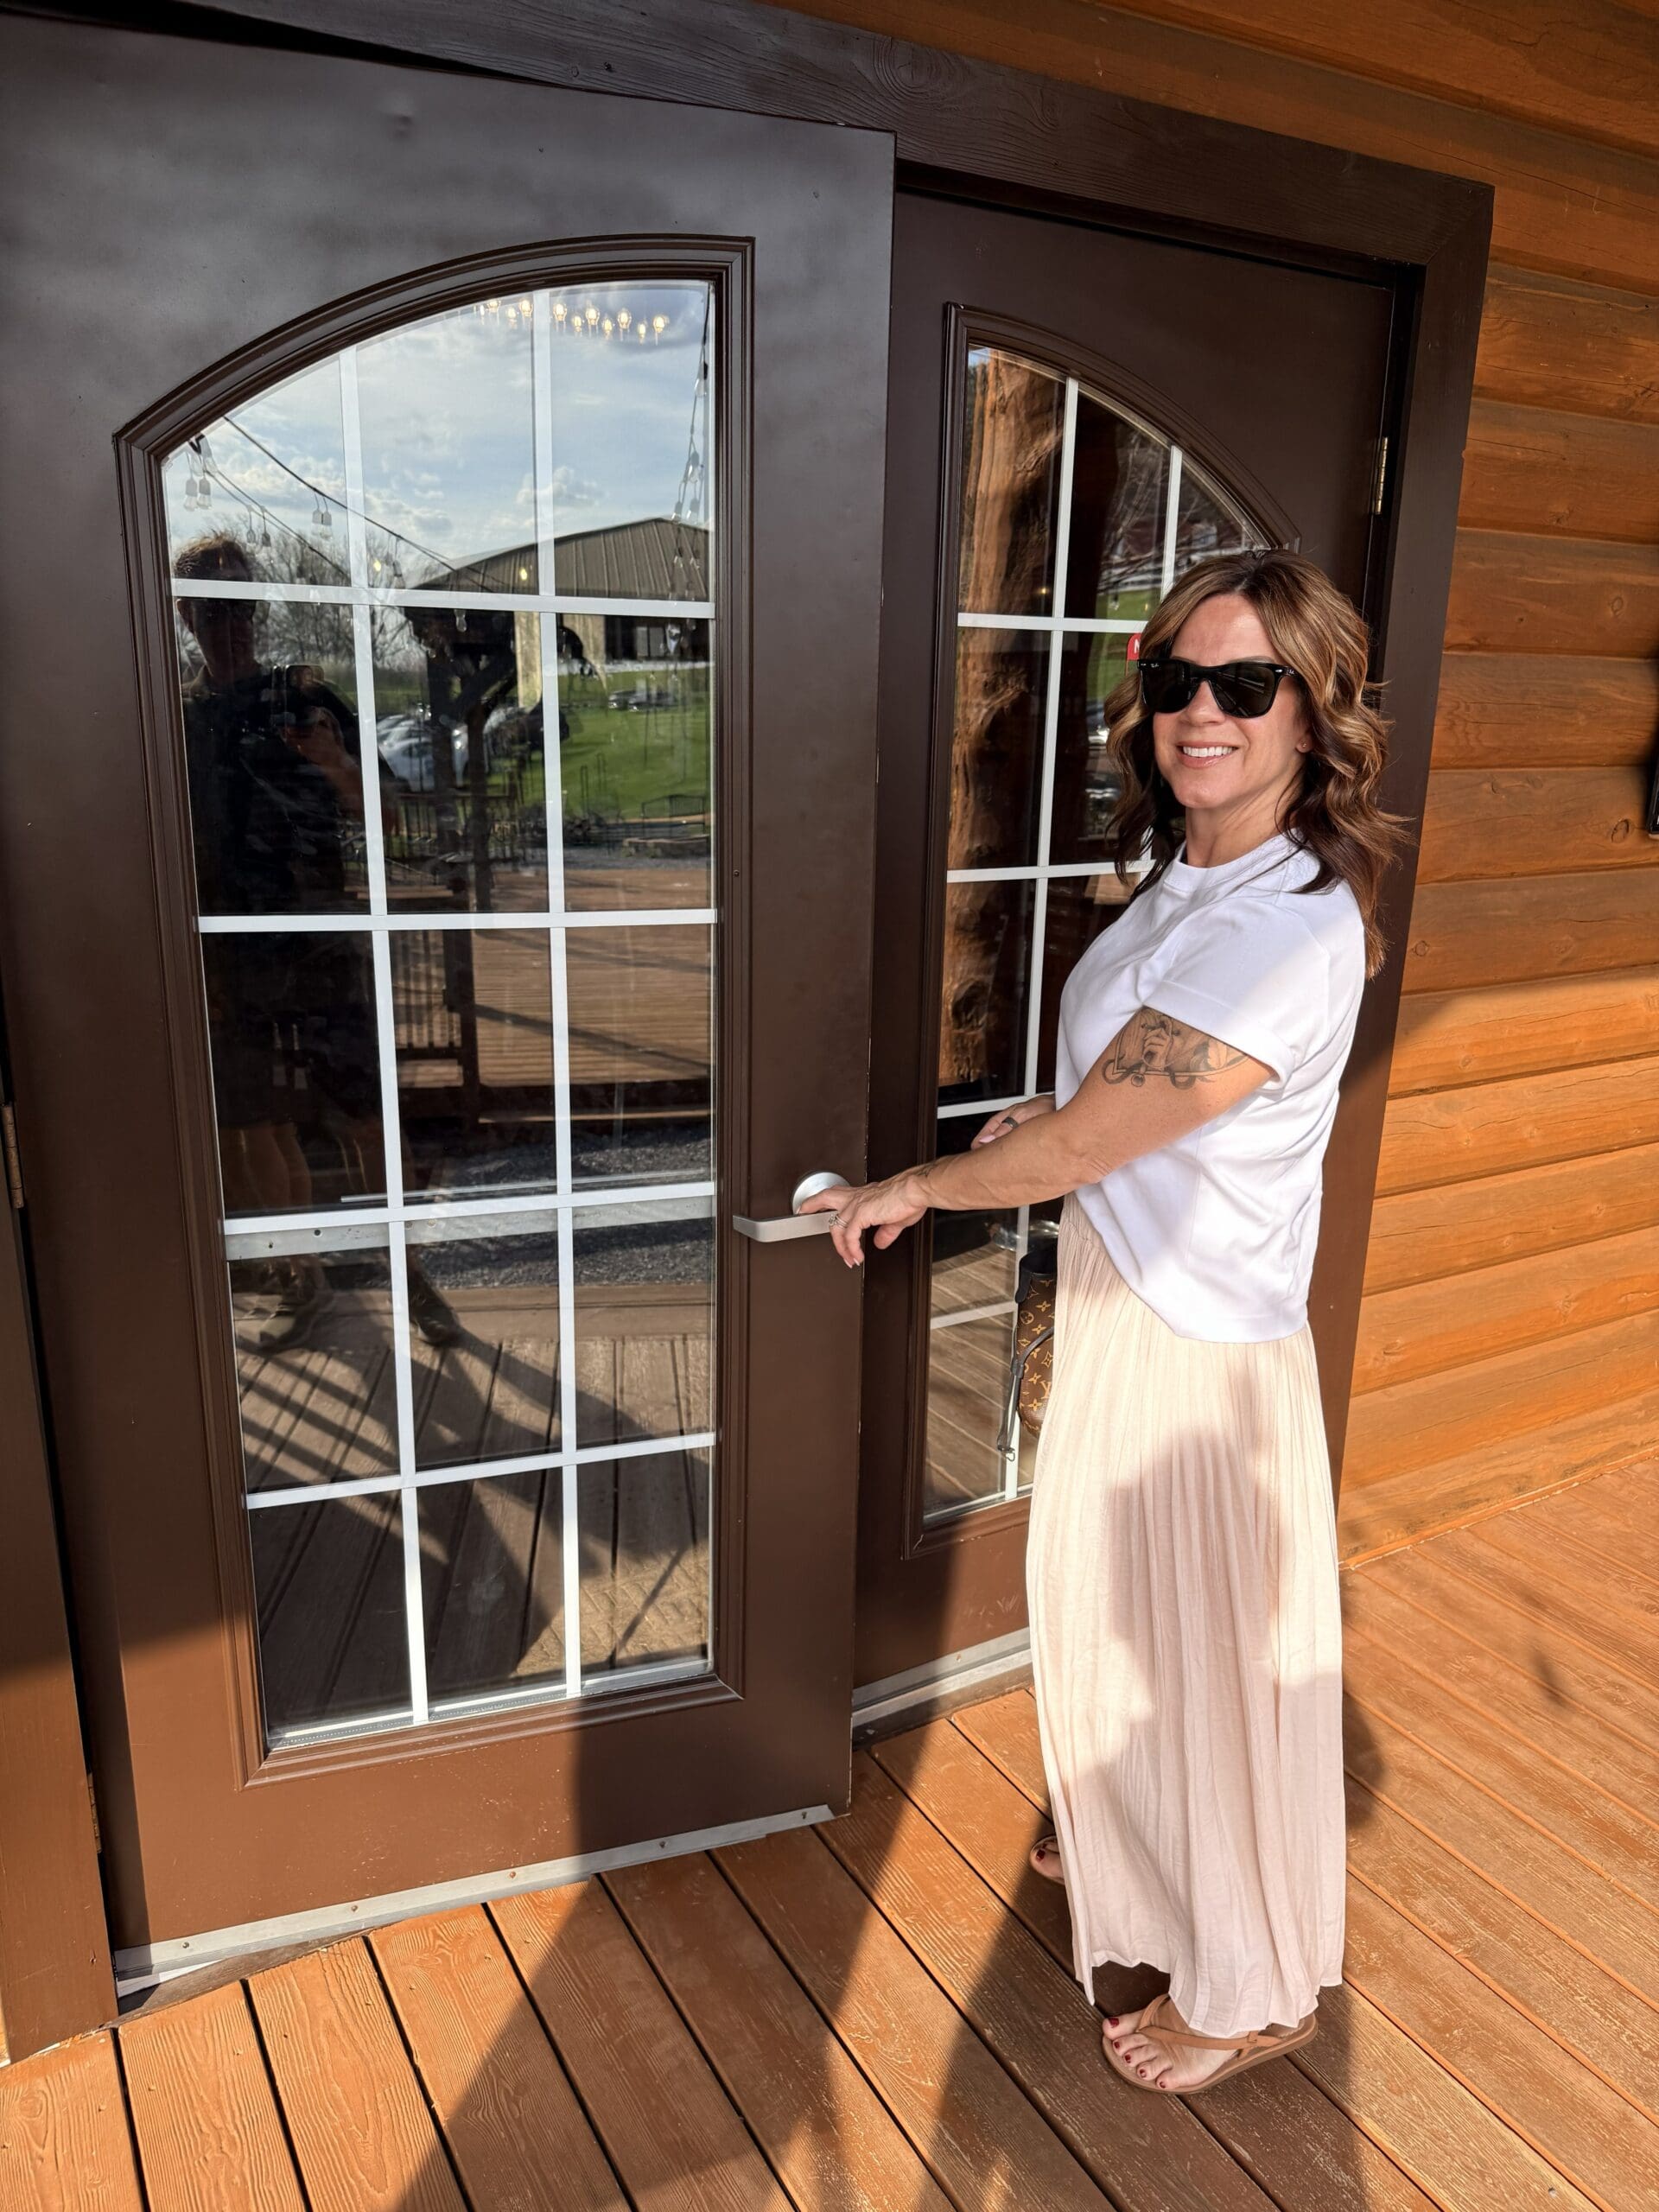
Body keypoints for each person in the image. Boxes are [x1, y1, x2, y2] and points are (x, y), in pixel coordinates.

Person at [802, 546, 1408, 2094]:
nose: (1201, 711)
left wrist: (923, 1186)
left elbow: (1087, 1143)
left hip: (1199, 1346)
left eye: (1246, 684)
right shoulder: (1190, 875)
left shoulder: (1290, 921)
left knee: (1207, 1665)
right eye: (1173, 681)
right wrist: (1048, 1121)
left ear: (1313, 713)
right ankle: (1144, 1839)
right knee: (1123, 1624)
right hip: (1133, 1296)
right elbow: (1114, 1104)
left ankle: (1259, 1983)